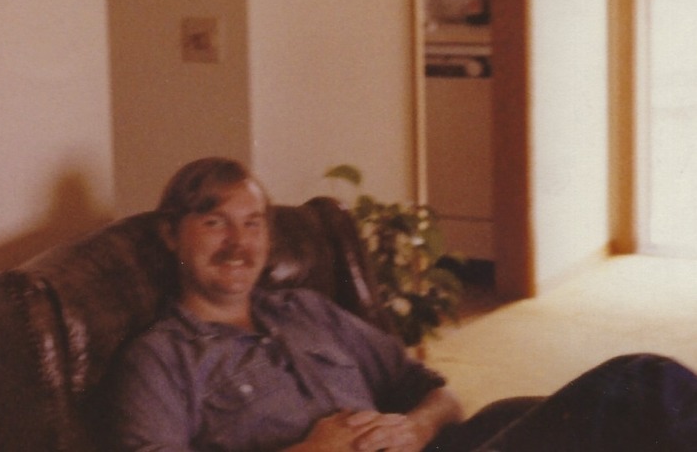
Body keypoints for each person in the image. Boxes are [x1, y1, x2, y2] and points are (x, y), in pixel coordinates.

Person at [112, 157, 697, 452]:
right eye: (215, 223)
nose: (239, 244)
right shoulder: (161, 358)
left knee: (623, 404)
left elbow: (440, 393)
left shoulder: (304, 311)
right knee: (641, 382)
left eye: (253, 223)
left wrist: (417, 426)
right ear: (170, 235)